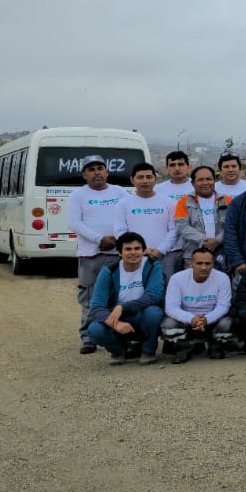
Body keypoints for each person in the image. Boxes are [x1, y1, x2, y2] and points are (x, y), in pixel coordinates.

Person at [68, 154, 127, 353]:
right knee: (91, 298)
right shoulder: (78, 195)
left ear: (107, 172)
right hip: (90, 254)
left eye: (100, 169)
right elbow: (75, 223)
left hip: (118, 254)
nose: (96, 173)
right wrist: (98, 239)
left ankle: (118, 333)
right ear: (84, 175)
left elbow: (128, 215)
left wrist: (119, 240)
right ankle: (88, 337)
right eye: (91, 170)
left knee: (119, 296)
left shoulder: (120, 192)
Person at [85, 231, 165, 364]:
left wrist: (122, 307)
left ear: (144, 250)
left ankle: (148, 350)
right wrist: (115, 323)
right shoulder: (109, 271)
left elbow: (154, 296)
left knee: (153, 313)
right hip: (118, 317)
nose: (133, 253)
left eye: (137, 248)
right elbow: (97, 306)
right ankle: (118, 351)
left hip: (141, 315)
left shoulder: (152, 265)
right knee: (95, 329)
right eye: (128, 249)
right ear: (119, 253)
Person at [162, 246, 237, 363]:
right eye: (199, 263)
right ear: (190, 263)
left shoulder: (222, 278)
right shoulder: (177, 279)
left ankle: (215, 345)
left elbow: (223, 306)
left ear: (213, 264)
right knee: (168, 324)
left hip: (212, 320)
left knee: (227, 323)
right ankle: (182, 348)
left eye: (208, 263)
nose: (204, 267)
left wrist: (206, 319)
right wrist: (192, 319)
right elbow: (171, 307)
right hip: (187, 320)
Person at [173, 166, 229, 270]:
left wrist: (218, 240)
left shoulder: (226, 200)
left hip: (221, 254)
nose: (205, 183)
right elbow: (182, 226)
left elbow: (233, 225)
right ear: (193, 183)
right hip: (193, 255)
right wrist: (203, 240)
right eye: (200, 180)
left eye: (209, 179)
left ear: (214, 180)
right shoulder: (184, 202)